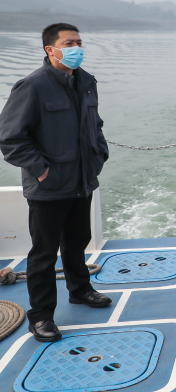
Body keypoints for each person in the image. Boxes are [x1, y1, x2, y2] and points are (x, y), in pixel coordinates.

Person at [0, 23, 112, 343]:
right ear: (51, 49)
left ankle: (80, 290)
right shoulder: (32, 86)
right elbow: (10, 138)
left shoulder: (86, 82)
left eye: (79, 42)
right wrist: (41, 171)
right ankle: (41, 316)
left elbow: (95, 124)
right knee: (44, 253)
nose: (77, 48)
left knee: (78, 241)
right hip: (48, 187)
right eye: (69, 43)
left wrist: (99, 153)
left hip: (82, 180)